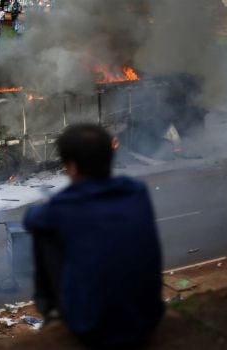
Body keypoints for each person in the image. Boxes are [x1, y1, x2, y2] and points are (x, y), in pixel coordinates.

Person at [23, 124, 164, 348]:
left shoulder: (65, 205)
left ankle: (50, 311)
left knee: (44, 232)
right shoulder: (137, 191)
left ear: (71, 167)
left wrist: (51, 203)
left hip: (92, 327)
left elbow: (30, 219)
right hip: (147, 318)